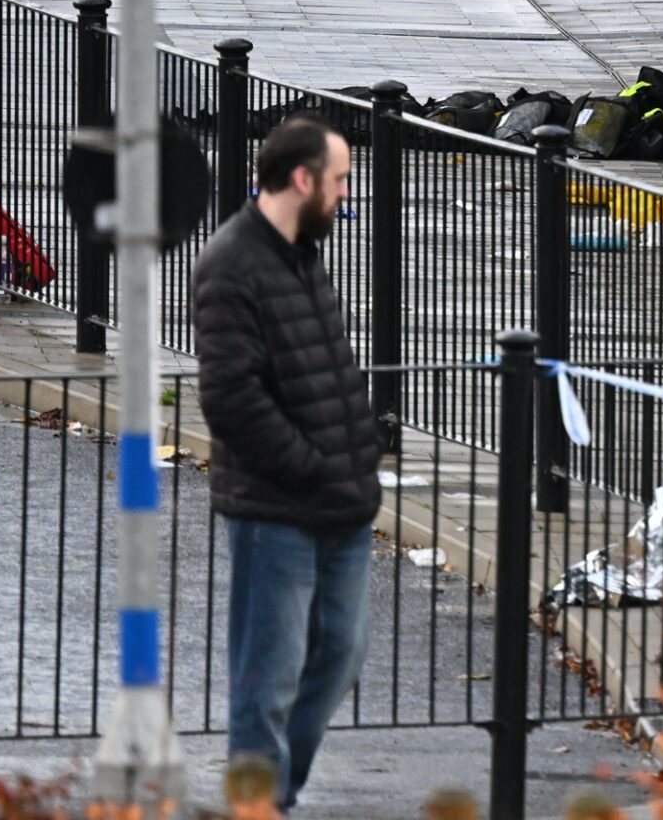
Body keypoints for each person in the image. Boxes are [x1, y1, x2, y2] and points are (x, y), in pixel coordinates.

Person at [194, 113, 384, 814]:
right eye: (338, 182)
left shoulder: (302, 249)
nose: (344, 197)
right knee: (266, 678)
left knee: (339, 655)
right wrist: (310, 464)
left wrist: (359, 457)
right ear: (301, 180)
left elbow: (325, 368)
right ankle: (258, 804)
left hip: (342, 501)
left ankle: (276, 793)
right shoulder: (232, 263)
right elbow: (231, 398)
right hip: (277, 508)